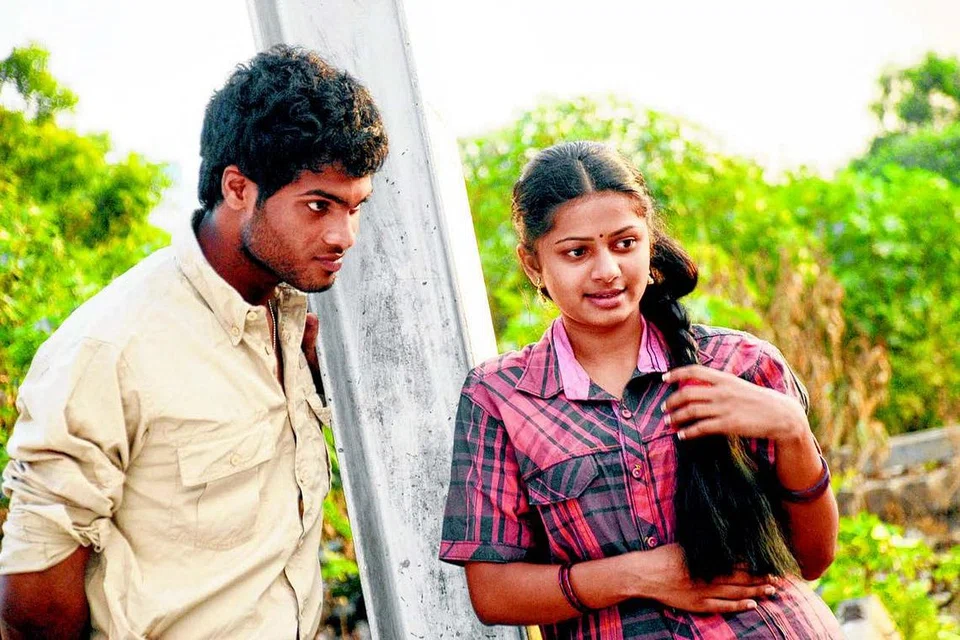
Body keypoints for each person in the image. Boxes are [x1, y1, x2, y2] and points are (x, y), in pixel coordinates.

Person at [0, 45, 388, 639]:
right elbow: (32, 600)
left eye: (355, 208)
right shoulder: (113, 347)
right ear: (238, 188)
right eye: (319, 206)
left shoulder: (293, 319)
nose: (344, 235)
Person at [439, 141, 842, 638]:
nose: (607, 270)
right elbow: (493, 593)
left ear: (649, 241)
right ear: (533, 265)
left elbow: (813, 559)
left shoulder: (740, 363)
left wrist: (794, 431)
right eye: (577, 252)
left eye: (625, 244)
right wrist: (639, 575)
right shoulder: (501, 397)